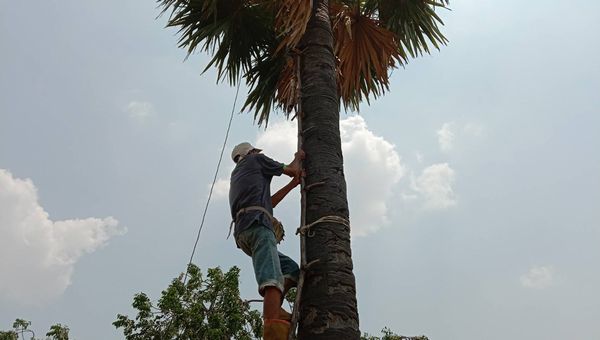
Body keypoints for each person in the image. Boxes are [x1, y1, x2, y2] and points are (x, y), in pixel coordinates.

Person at [229, 142, 303, 340]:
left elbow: (268, 204)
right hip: (258, 225)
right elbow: (292, 169)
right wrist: (298, 157)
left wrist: (292, 185)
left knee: (290, 269)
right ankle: (272, 326)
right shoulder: (257, 159)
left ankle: (275, 308)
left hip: (244, 233)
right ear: (251, 152)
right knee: (271, 278)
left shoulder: (238, 175)